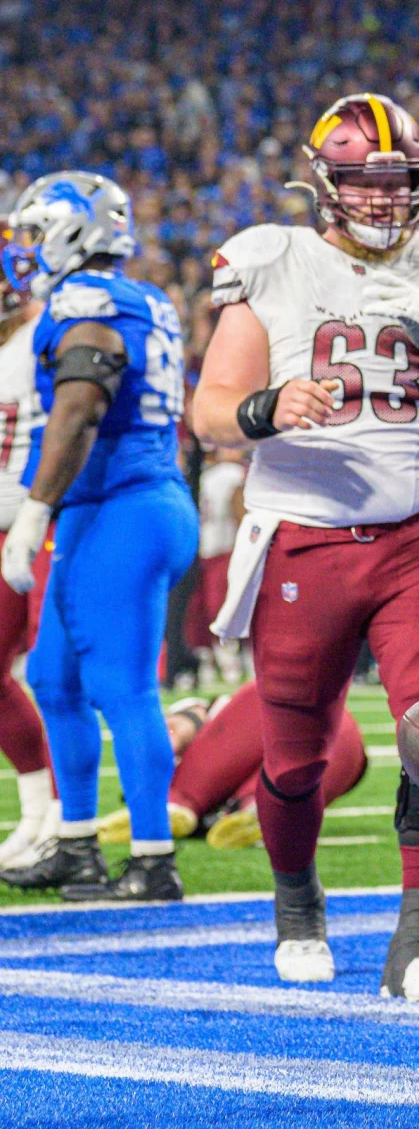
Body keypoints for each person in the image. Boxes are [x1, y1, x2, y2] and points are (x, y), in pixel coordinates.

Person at [190, 93, 419, 999]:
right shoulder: (272, 259)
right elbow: (211, 410)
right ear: (323, 184)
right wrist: (267, 408)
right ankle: (298, 903)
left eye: (398, 184)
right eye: (362, 183)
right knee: (295, 754)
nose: (383, 202)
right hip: (303, 536)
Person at [0, 172, 198, 901]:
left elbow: (80, 407)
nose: (22, 250)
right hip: (105, 505)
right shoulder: (135, 296)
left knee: (122, 686)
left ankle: (152, 858)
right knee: (54, 679)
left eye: (32, 232)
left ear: (73, 230)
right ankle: (77, 845)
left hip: (126, 503)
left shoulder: (89, 301)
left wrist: (31, 510)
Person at [95, 680, 367, 849]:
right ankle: (263, 808)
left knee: (188, 795)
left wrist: (190, 723)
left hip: (278, 711)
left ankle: (176, 804)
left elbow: (191, 719)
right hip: (342, 742)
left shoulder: (206, 722)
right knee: (273, 792)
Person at [0, 268, 54, 871]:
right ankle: (38, 811)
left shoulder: (42, 334)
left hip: (33, 522)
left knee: (55, 674)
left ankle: (62, 820)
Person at [186, 446, 248, 685]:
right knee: (210, 608)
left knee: (214, 608)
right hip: (217, 547)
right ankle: (219, 659)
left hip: (216, 547)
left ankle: (223, 659)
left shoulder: (215, 474)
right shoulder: (219, 474)